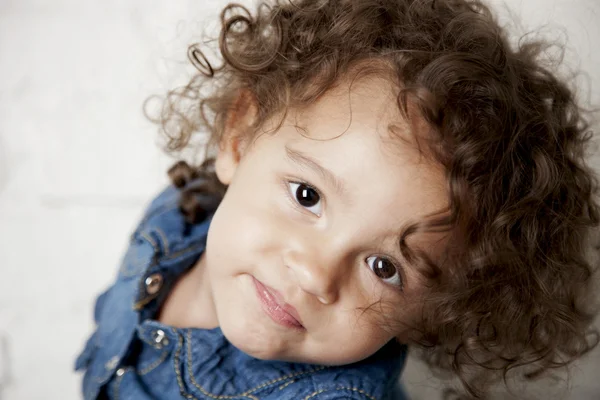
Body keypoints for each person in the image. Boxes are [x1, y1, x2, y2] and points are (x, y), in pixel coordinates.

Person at [75, 0, 600, 398]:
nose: (316, 275)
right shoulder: (176, 217)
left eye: (384, 266)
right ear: (240, 136)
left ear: (434, 313)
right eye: (307, 196)